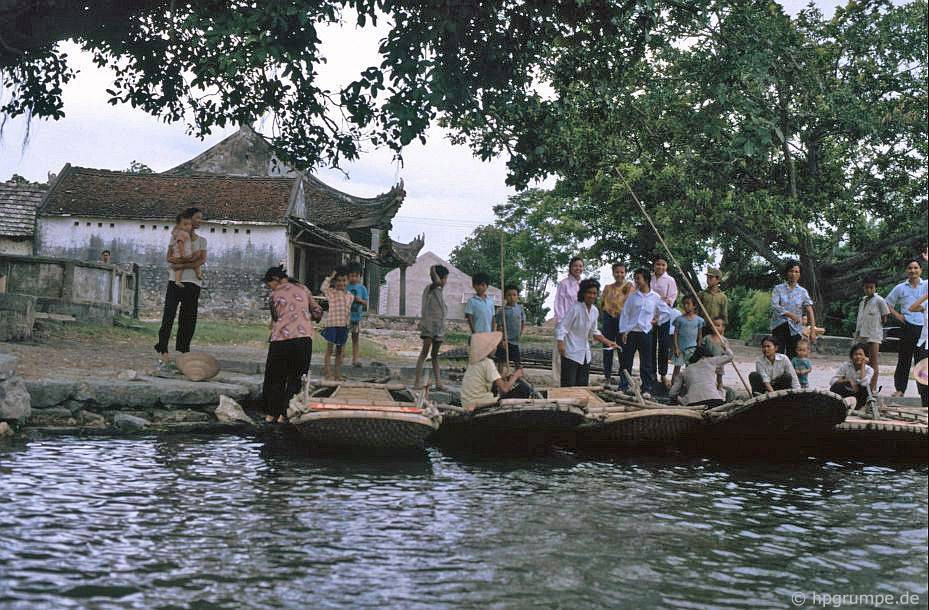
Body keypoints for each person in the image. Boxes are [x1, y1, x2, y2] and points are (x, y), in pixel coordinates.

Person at [262, 267, 321, 423]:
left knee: (275, 378)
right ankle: (285, 414)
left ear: (275, 279)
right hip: (302, 340)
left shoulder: (274, 295)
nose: (271, 288)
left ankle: (271, 414)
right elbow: (317, 312)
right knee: (295, 378)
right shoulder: (303, 289)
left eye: (270, 284)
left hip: (281, 340)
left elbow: (275, 317)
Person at [155, 207, 207, 362]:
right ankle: (162, 347)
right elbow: (169, 258)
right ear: (188, 220)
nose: (200, 221)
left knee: (188, 318)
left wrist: (182, 265)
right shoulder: (176, 237)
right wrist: (188, 260)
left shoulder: (201, 240)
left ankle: (183, 349)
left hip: (193, 283)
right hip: (174, 281)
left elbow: (202, 260)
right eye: (197, 218)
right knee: (169, 314)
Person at [556, 278, 619, 387]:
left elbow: (594, 331)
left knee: (582, 386)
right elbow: (562, 328)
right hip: (571, 352)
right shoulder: (575, 308)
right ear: (583, 293)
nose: (592, 296)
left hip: (585, 354)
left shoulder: (594, 311)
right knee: (568, 386)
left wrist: (608, 342)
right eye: (589, 292)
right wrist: (560, 344)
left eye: (594, 293)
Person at [885, 258, 927, 398]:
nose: (913, 271)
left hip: (924, 328)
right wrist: (899, 316)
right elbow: (887, 303)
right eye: (910, 268)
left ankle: (924, 393)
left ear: (921, 270)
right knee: (904, 359)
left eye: (916, 268)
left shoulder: (926, 285)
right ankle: (900, 389)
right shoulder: (900, 288)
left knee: (922, 362)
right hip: (907, 326)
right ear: (906, 271)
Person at [460, 332, 531, 409]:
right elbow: (504, 389)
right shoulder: (487, 362)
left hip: (467, 402)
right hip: (479, 403)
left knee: (497, 388)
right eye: (493, 346)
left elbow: (489, 378)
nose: (495, 348)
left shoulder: (473, 361)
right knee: (523, 389)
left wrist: (504, 377)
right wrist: (516, 375)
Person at [619, 268, 661, 396]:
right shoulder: (632, 297)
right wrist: (624, 331)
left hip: (646, 332)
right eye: (635, 278)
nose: (636, 281)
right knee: (626, 361)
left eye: (638, 278)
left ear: (646, 280)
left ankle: (647, 388)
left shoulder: (655, 297)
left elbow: (663, 313)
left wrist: (656, 320)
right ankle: (623, 386)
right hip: (632, 332)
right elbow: (625, 314)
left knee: (646, 362)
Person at [770, 260, 816, 359]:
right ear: (786, 272)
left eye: (796, 272)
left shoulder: (803, 292)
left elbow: (809, 310)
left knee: (794, 357)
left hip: (796, 329)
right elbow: (775, 306)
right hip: (779, 326)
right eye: (791, 271)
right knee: (778, 357)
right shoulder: (778, 289)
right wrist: (790, 315)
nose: (793, 274)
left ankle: (792, 375)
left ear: (800, 274)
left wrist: (812, 330)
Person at [415, 264, 449, 389]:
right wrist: (433, 271)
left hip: (438, 328)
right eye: (445, 278)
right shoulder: (430, 288)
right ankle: (417, 382)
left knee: (435, 356)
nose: (446, 282)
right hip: (429, 327)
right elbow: (438, 282)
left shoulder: (440, 292)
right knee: (424, 353)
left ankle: (438, 382)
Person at [853, 277, 890, 393]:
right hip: (861, 334)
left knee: (873, 360)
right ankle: (861, 385)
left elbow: (884, 317)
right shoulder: (862, 301)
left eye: (871, 287)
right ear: (863, 288)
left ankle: (873, 387)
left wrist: (876, 325)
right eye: (866, 287)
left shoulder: (879, 300)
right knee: (860, 359)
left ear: (875, 288)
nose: (869, 290)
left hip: (874, 334)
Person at [551, 256, 584, 385]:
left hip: (578, 325)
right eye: (575, 265)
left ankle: (573, 382)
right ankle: (557, 382)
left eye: (580, 266)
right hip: (564, 324)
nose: (578, 268)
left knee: (575, 353)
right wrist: (561, 325)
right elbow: (558, 304)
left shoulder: (583, 285)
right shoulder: (564, 284)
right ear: (570, 268)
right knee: (560, 353)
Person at [669, 344, 734, 407]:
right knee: (727, 391)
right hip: (715, 401)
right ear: (704, 356)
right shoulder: (710, 361)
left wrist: (680, 400)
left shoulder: (684, 371)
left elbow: (672, 393)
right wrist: (726, 347)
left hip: (692, 404)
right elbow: (730, 356)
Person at [600, 263, 633, 387]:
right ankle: (607, 377)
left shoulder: (629, 287)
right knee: (607, 349)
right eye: (617, 272)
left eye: (622, 272)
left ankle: (623, 380)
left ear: (625, 273)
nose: (619, 274)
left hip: (622, 321)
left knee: (622, 350)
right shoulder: (607, 287)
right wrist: (605, 319)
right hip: (608, 319)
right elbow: (602, 304)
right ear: (613, 273)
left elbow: (632, 306)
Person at [320, 267, 354, 380]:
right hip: (332, 325)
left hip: (343, 327)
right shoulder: (331, 293)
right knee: (329, 351)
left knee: (340, 352)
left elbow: (348, 312)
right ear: (335, 282)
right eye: (338, 280)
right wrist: (330, 277)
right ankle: (328, 374)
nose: (341, 283)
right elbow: (323, 287)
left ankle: (337, 375)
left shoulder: (350, 296)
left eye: (344, 280)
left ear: (347, 281)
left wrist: (348, 325)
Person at [650, 255, 678, 387]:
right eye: (658, 264)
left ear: (666, 266)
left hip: (664, 317)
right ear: (654, 265)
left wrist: (663, 300)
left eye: (663, 265)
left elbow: (671, 298)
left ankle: (662, 374)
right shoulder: (649, 277)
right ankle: (651, 374)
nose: (660, 267)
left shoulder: (670, 280)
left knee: (663, 346)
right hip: (649, 317)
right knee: (649, 346)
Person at [671, 294, 705, 387]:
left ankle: (688, 388)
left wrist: (698, 348)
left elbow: (700, 335)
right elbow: (675, 334)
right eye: (684, 304)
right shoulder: (679, 320)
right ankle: (673, 388)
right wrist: (676, 348)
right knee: (677, 369)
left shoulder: (699, 320)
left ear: (694, 306)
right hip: (680, 349)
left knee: (690, 369)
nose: (686, 306)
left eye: (688, 304)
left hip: (692, 349)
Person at [829, 343, 875, 410]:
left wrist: (863, 365)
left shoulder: (869, 370)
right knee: (835, 386)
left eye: (861, 354)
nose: (858, 357)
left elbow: (864, 383)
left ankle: (856, 406)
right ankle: (841, 403)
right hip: (847, 391)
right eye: (856, 354)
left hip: (859, 395)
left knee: (865, 389)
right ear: (851, 356)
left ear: (865, 356)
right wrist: (849, 380)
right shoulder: (845, 366)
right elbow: (832, 381)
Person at [495, 284, 526, 369]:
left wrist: (521, 333)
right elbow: (499, 327)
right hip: (505, 341)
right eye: (509, 295)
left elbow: (523, 321)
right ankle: (499, 378)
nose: (512, 297)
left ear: (517, 296)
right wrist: (501, 340)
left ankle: (518, 378)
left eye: (514, 295)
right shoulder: (502, 311)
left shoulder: (520, 309)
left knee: (517, 362)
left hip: (515, 341)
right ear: (504, 297)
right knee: (502, 361)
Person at [168, 212, 203, 287]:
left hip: (179, 254)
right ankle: (198, 274)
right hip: (184, 254)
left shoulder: (178, 233)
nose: (188, 227)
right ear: (179, 225)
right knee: (196, 257)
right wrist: (183, 253)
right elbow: (180, 243)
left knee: (179, 268)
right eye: (185, 224)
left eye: (189, 224)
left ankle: (177, 280)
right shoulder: (183, 233)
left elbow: (173, 233)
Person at [346, 263, 369, 368]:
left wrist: (360, 300)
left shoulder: (362, 288)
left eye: (356, 276)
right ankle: (340, 357)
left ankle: (355, 359)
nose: (354, 278)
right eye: (352, 276)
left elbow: (366, 303)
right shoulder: (345, 286)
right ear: (348, 276)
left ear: (360, 276)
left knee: (355, 338)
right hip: (345, 317)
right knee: (342, 338)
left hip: (357, 317)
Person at [907, 291, 928, 407]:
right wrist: (926, 296)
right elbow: (912, 308)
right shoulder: (926, 303)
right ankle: (925, 404)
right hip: (924, 343)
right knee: (922, 376)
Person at [701, 316, 728, 390]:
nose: (716, 327)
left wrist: (725, 349)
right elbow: (701, 348)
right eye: (714, 325)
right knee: (709, 377)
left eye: (718, 326)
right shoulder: (707, 338)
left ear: (723, 328)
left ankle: (720, 390)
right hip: (709, 362)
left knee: (719, 378)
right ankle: (709, 390)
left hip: (719, 363)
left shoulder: (724, 340)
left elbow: (727, 353)